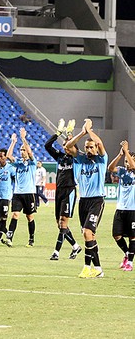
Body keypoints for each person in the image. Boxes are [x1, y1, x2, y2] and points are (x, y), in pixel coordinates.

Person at [64, 119, 107, 278]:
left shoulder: (101, 159)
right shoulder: (80, 158)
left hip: (96, 200)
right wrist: (82, 132)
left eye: (91, 147)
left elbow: (100, 143)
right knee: (89, 235)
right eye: (87, 146)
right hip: (83, 201)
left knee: (87, 233)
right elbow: (68, 147)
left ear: (96, 148)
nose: (88, 149)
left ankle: (88, 267)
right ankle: (96, 269)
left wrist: (89, 130)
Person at [45, 119, 81, 261]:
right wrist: (58, 133)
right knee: (59, 224)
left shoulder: (76, 158)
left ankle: (56, 252)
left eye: (69, 143)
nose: (66, 144)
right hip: (59, 191)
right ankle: (75, 246)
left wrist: (70, 135)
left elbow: (73, 148)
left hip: (69, 191)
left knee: (63, 222)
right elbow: (47, 145)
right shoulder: (60, 157)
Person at [4, 128, 37, 247]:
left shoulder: (33, 163)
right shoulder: (17, 163)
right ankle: (10, 238)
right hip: (17, 193)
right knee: (15, 215)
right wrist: (13, 142)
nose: (22, 151)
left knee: (29, 217)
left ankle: (31, 239)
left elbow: (31, 154)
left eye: (23, 149)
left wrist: (23, 139)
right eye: (21, 149)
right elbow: (8, 156)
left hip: (29, 193)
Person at [107, 140, 135, 271]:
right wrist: (120, 154)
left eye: (128, 160)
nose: (127, 163)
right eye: (126, 161)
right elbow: (110, 168)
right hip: (120, 209)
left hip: (133, 210)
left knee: (132, 236)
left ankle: (130, 262)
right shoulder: (122, 172)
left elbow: (133, 166)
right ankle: (127, 253)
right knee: (116, 235)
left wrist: (127, 151)